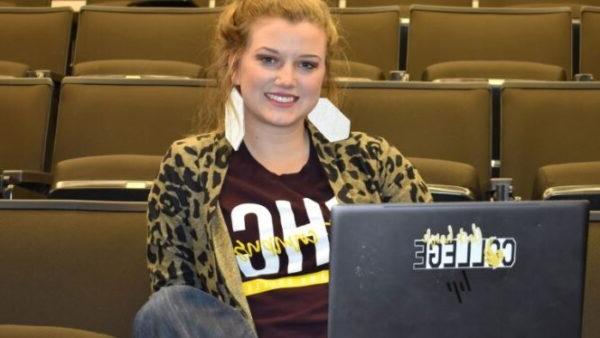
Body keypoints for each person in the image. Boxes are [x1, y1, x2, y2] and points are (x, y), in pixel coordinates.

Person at [134, 0, 432, 337]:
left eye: (306, 65)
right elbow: (179, 295)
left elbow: (432, 270)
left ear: (323, 74)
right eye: (268, 59)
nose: (287, 79)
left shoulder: (373, 159)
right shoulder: (188, 166)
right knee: (166, 308)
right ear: (234, 66)